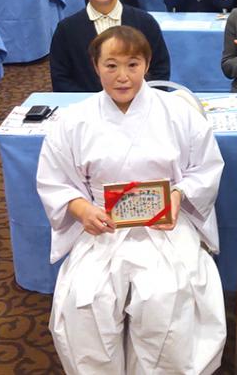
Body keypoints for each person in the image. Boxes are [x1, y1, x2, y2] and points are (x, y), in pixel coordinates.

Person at [37, 25, 226, 374]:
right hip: (102, 226)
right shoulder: (74, 120)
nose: (122, 77)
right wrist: (81, 209)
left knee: (166, 297)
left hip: (165, 224)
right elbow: (55, 181)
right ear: (96, 66)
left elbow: (206, 168)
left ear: (147, 65)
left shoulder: (178, 112)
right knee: (86, 300)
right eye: (111, 66)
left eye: (132, 65)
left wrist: (178, 196)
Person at [50, 0, 170, 92]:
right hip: (88, 108)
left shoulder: (145, 22)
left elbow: (160, 70)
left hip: (137, 106)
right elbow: (61, 79)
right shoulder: (67, 29)